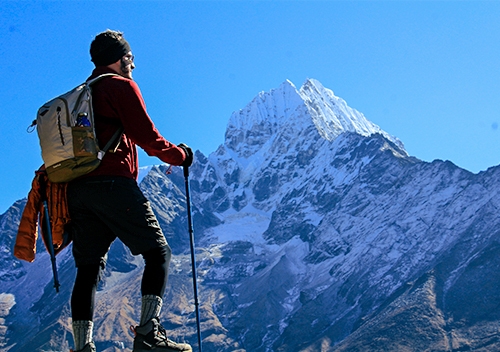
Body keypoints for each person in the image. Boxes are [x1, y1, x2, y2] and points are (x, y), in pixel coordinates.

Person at [67, 30, 193, 352]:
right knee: (158, 252)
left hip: (78, 190)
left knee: (87, 270)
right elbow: (146, 137)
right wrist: (179, 155)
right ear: (121, 58)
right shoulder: (119, 86)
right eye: (130, 58)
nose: (133, 65)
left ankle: (83, 347)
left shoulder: (81, 94)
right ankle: (149, 334)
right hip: (113, 184)